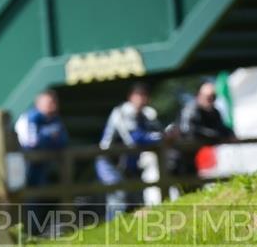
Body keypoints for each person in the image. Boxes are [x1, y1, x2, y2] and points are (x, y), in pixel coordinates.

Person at [95, 82, 162, 218]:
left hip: (126, 163)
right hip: (109, 161)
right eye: (139, 96)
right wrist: (158, 138)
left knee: (137, 200)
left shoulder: (144, 115)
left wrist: (161, 136)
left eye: (144, 96)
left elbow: (159, 132)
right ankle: (112, 233)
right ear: (131, 97)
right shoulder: (121, 112)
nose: (142, 99)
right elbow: (133, 139)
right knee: (118, 199)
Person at [14, 89, 69, 235]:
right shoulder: (31, 117)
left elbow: (63, 141)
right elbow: (33, 143)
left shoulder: (55, 119)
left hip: (47, 166)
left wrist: (48, 138)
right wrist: (51, 137)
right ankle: (31, 233)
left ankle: (43, 230)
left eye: (54, 101)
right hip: (29, 167)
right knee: (31, 198)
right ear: (39, 103)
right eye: (49, 102)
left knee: (50, 196)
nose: (53, 105)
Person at [173, 81, 235, 176]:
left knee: (194, 185)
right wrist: (214, 135)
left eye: (213, 97)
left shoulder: (214, 112)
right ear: (199, 96)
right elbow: (189, 131)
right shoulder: (190, 109)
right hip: (177, 157)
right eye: (208, 97)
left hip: (192, 157)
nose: (210, 100)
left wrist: (230, 133)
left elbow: (221, 128)